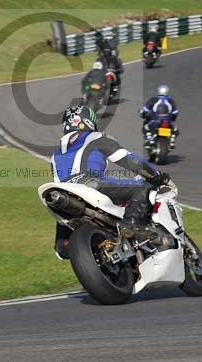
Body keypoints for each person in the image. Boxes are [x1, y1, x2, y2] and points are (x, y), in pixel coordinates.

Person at [51, 105, 171, 259]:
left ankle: (68, 245)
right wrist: (156, 176)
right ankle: (131, 225)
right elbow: (129, 161)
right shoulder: (96, 137)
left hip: (63, 194)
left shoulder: (55, 153)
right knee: (143, 189)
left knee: (61, 246)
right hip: (91, 184)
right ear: (89, 121)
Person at [139, 84, 179, 149]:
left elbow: (145, 109)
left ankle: (150, 139)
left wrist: (142, 113)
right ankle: (172, 140)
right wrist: (172, 118)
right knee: (175, 130)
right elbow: (175, 112)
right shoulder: (170, 100)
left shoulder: (154, 99)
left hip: (155, 121)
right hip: (167, 122)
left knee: (145, 128)